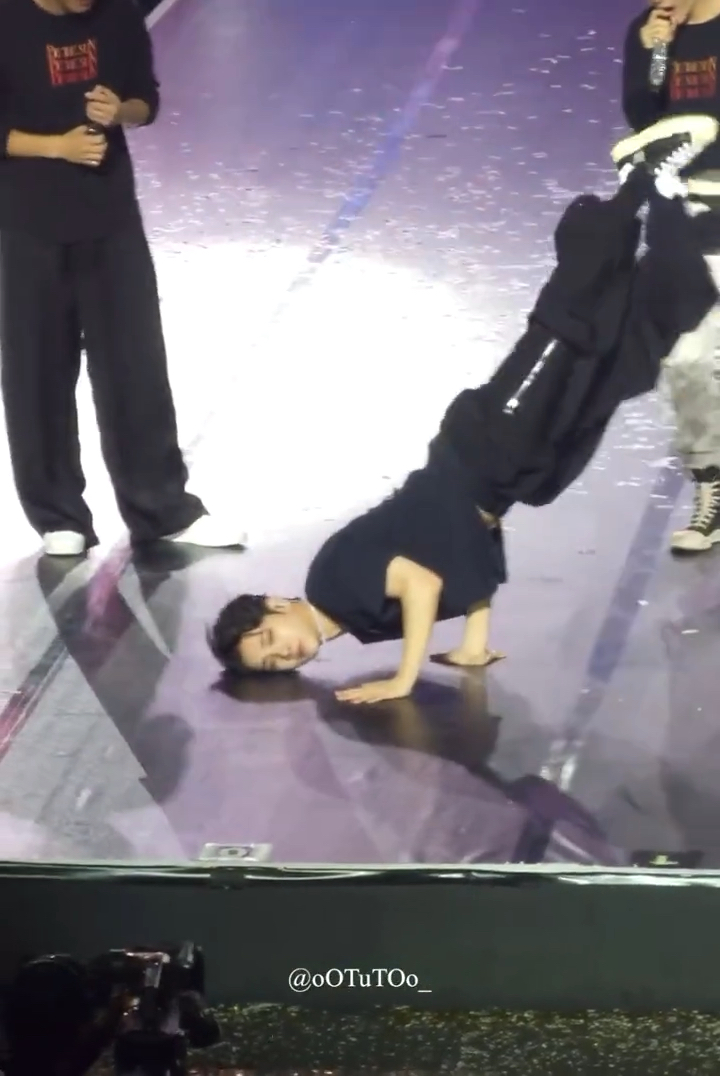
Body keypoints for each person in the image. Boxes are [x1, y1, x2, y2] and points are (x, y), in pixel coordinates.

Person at [208, 115, 719, 705]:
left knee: (569, 324)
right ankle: (668, 197)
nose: (284, 653)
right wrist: (474, 642)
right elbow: (462, 560)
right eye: (273, 664)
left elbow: (423, 583)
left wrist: (403, 679)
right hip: (507, 477)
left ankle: (636, 181)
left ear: (275, 605)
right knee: (627, 360)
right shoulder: (355, 619)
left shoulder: (330, 584)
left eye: (269, 639)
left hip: (488, 445)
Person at [0, 0, 244, 555]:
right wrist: (56, 148)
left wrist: (120, 111)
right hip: (27, 224)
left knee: (136, 364)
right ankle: (58, 516)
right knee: (38, 371)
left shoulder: (117, 14)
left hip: (110, 216)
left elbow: (145, 99)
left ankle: (162, 508)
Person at [622, 0, 720, 553]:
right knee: (685, 360)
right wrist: (654, 55)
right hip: (683, 215)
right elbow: (643, 122)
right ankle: (712, 484)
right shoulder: (646, 31)